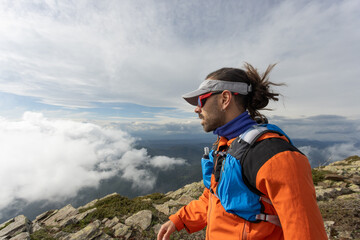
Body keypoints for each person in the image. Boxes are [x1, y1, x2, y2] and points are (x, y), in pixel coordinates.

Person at [157, 63, 328, 240]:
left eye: (201, 100)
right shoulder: (225, 147)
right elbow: (215, 198)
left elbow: (306, 232)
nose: (196, 108)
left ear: (225, 99)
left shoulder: (274, 156)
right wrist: (179, 219)